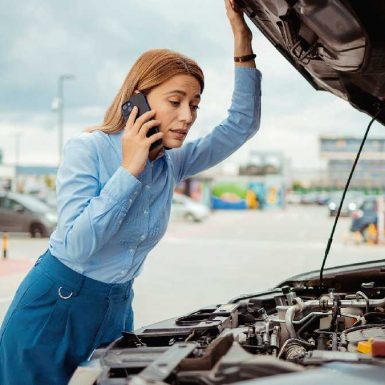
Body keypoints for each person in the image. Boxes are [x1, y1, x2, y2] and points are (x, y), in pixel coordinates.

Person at [0, 1, 261, 384]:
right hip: (53, 308)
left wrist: (243, 40)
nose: (187, 116)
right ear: (137, 99)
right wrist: (129, 170)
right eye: (175, 102)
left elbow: (241, 125)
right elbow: (75, 247)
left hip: (116, 311)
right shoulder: (87, 148)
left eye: (194, 105)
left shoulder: (173, 162)